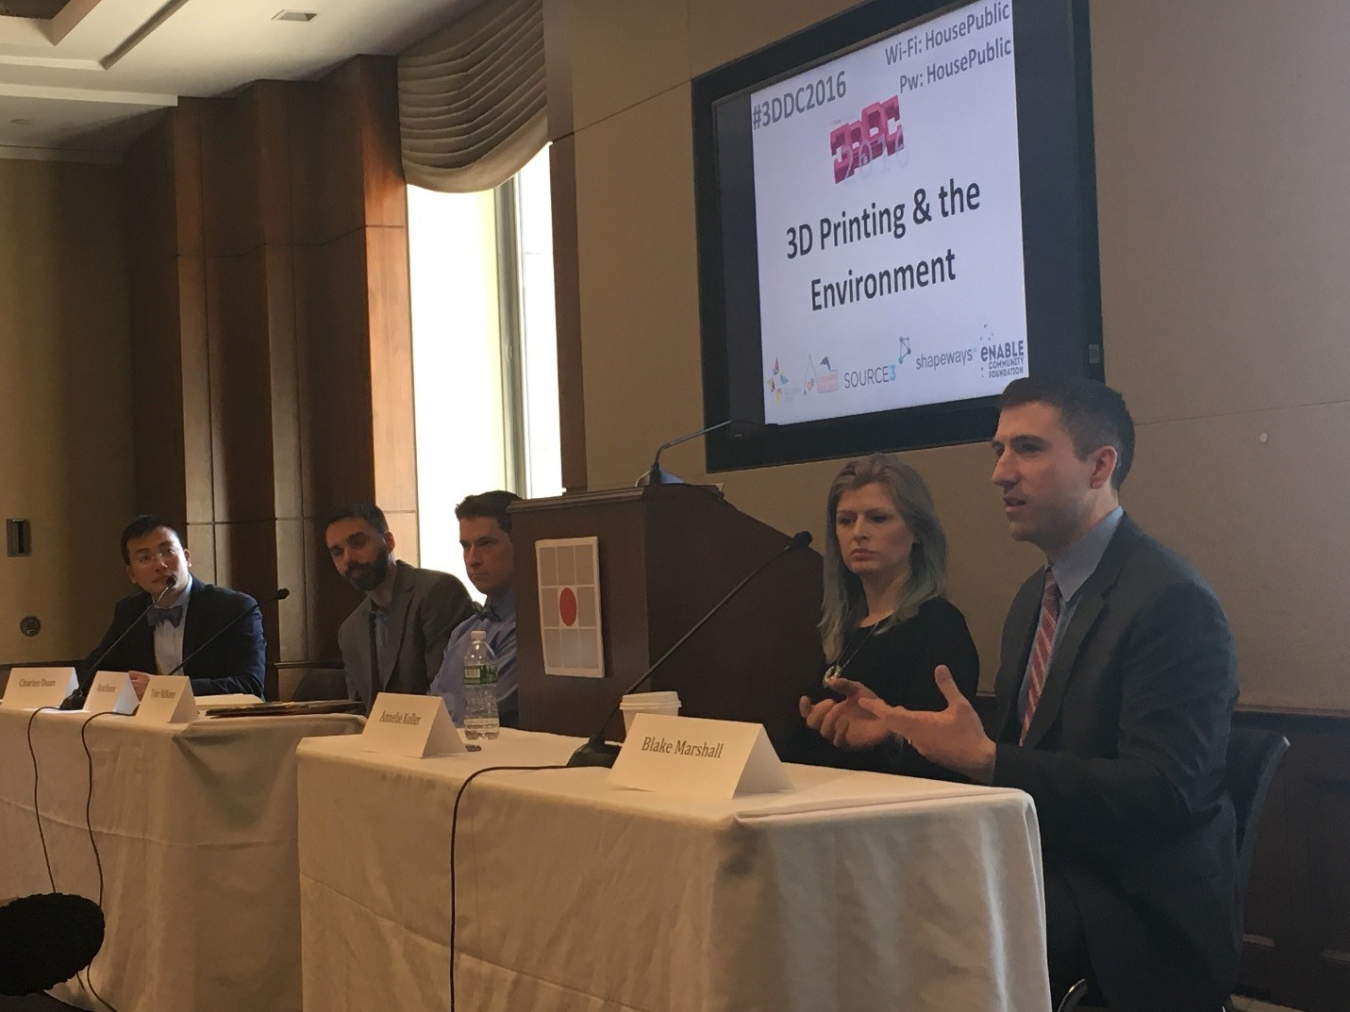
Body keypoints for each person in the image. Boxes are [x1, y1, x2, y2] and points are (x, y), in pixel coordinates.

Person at [818, 378, 1239, 1012]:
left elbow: (1164, 794)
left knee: (903, 911)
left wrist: (989, 760)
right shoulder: (1031, 601)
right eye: (998, 450)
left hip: (1134, 908)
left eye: (1029, 449)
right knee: (851, 882)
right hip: (1041, 867)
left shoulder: (1169, 601)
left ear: (1100, 466)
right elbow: (1012, 765)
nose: (1001, 473)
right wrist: (906, 738)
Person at [791, 454, 978, 779]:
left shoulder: (939, 625)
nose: (858, 533)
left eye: (878, 518)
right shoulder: (843, 628)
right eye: (845, 520)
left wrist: (888, 730)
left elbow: (945, 761)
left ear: (917, 531)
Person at [79, 515, 265, 698]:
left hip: (220, 716)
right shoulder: (131, 611)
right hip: (153, 717)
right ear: (132, 574)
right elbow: (91, 673)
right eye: (145, 558)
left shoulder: (234, 608)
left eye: (167, 551)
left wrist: (161, 688)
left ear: (187, 558)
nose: (160, 565)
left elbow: (250, 684)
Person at [325, 501, 474, 713]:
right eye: (337, 552)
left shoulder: (437, 592)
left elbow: (448, 692)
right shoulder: (349, 631)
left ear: (389, 541)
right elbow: (359, 711)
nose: (348, 558)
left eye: (358, 543)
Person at [429, 491, 522, 726]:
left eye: (486, 544)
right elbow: (430, 711)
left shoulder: (531, 629)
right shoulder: (464, 631)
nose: (473, 559)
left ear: (521, 543)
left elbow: (480, 717)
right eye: (465, 546)